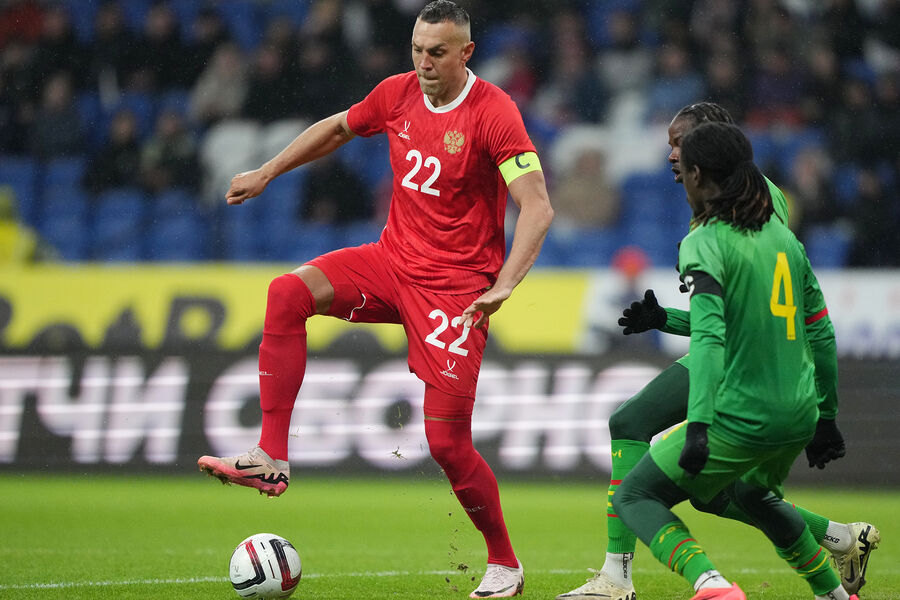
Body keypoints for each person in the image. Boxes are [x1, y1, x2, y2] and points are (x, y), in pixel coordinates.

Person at [197, 3, 554, 598]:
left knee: (447, 444)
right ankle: (270, 455)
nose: (423, 63)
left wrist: (506, 283)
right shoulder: (397, 93)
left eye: (436, 52)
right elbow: (338, 128)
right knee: (287, 293)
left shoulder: (494, 112)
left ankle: (504, 564)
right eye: (417, 50)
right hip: (391, 263)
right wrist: (269, 170)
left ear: (466, 53)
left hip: (455, 291)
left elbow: (537, 206)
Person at [556, 103, 879, 600]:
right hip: (778, 374)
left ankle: (623, 577)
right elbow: (788, 315)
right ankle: (839, 543)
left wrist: (701, 421)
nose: (671, 155)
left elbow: (729, 323)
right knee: (725, 491)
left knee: (634, 434)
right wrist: (664, 318)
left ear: (707, 150)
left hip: (741, 362)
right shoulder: (752, 203)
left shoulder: (734, 214)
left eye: (679, 144)